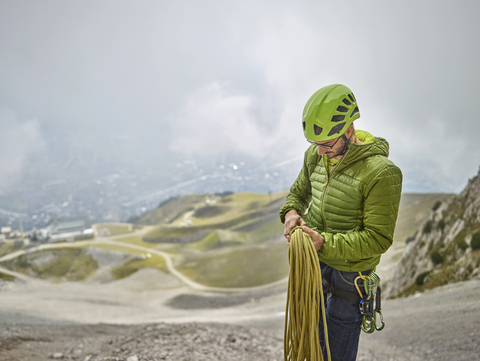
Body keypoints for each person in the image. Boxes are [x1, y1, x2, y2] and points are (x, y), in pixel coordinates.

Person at [280, 84, 402, 361]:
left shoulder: (382, 173)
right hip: (313, 265)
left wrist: (323, 242)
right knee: (310, 344)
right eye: (315, 144)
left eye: (326, 143)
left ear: (349, 130)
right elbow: (298, 193)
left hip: (350, 278)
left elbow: (378, 238)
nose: (320, 152)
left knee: (336, 355)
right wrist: (291, 214)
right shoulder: (316, 155)